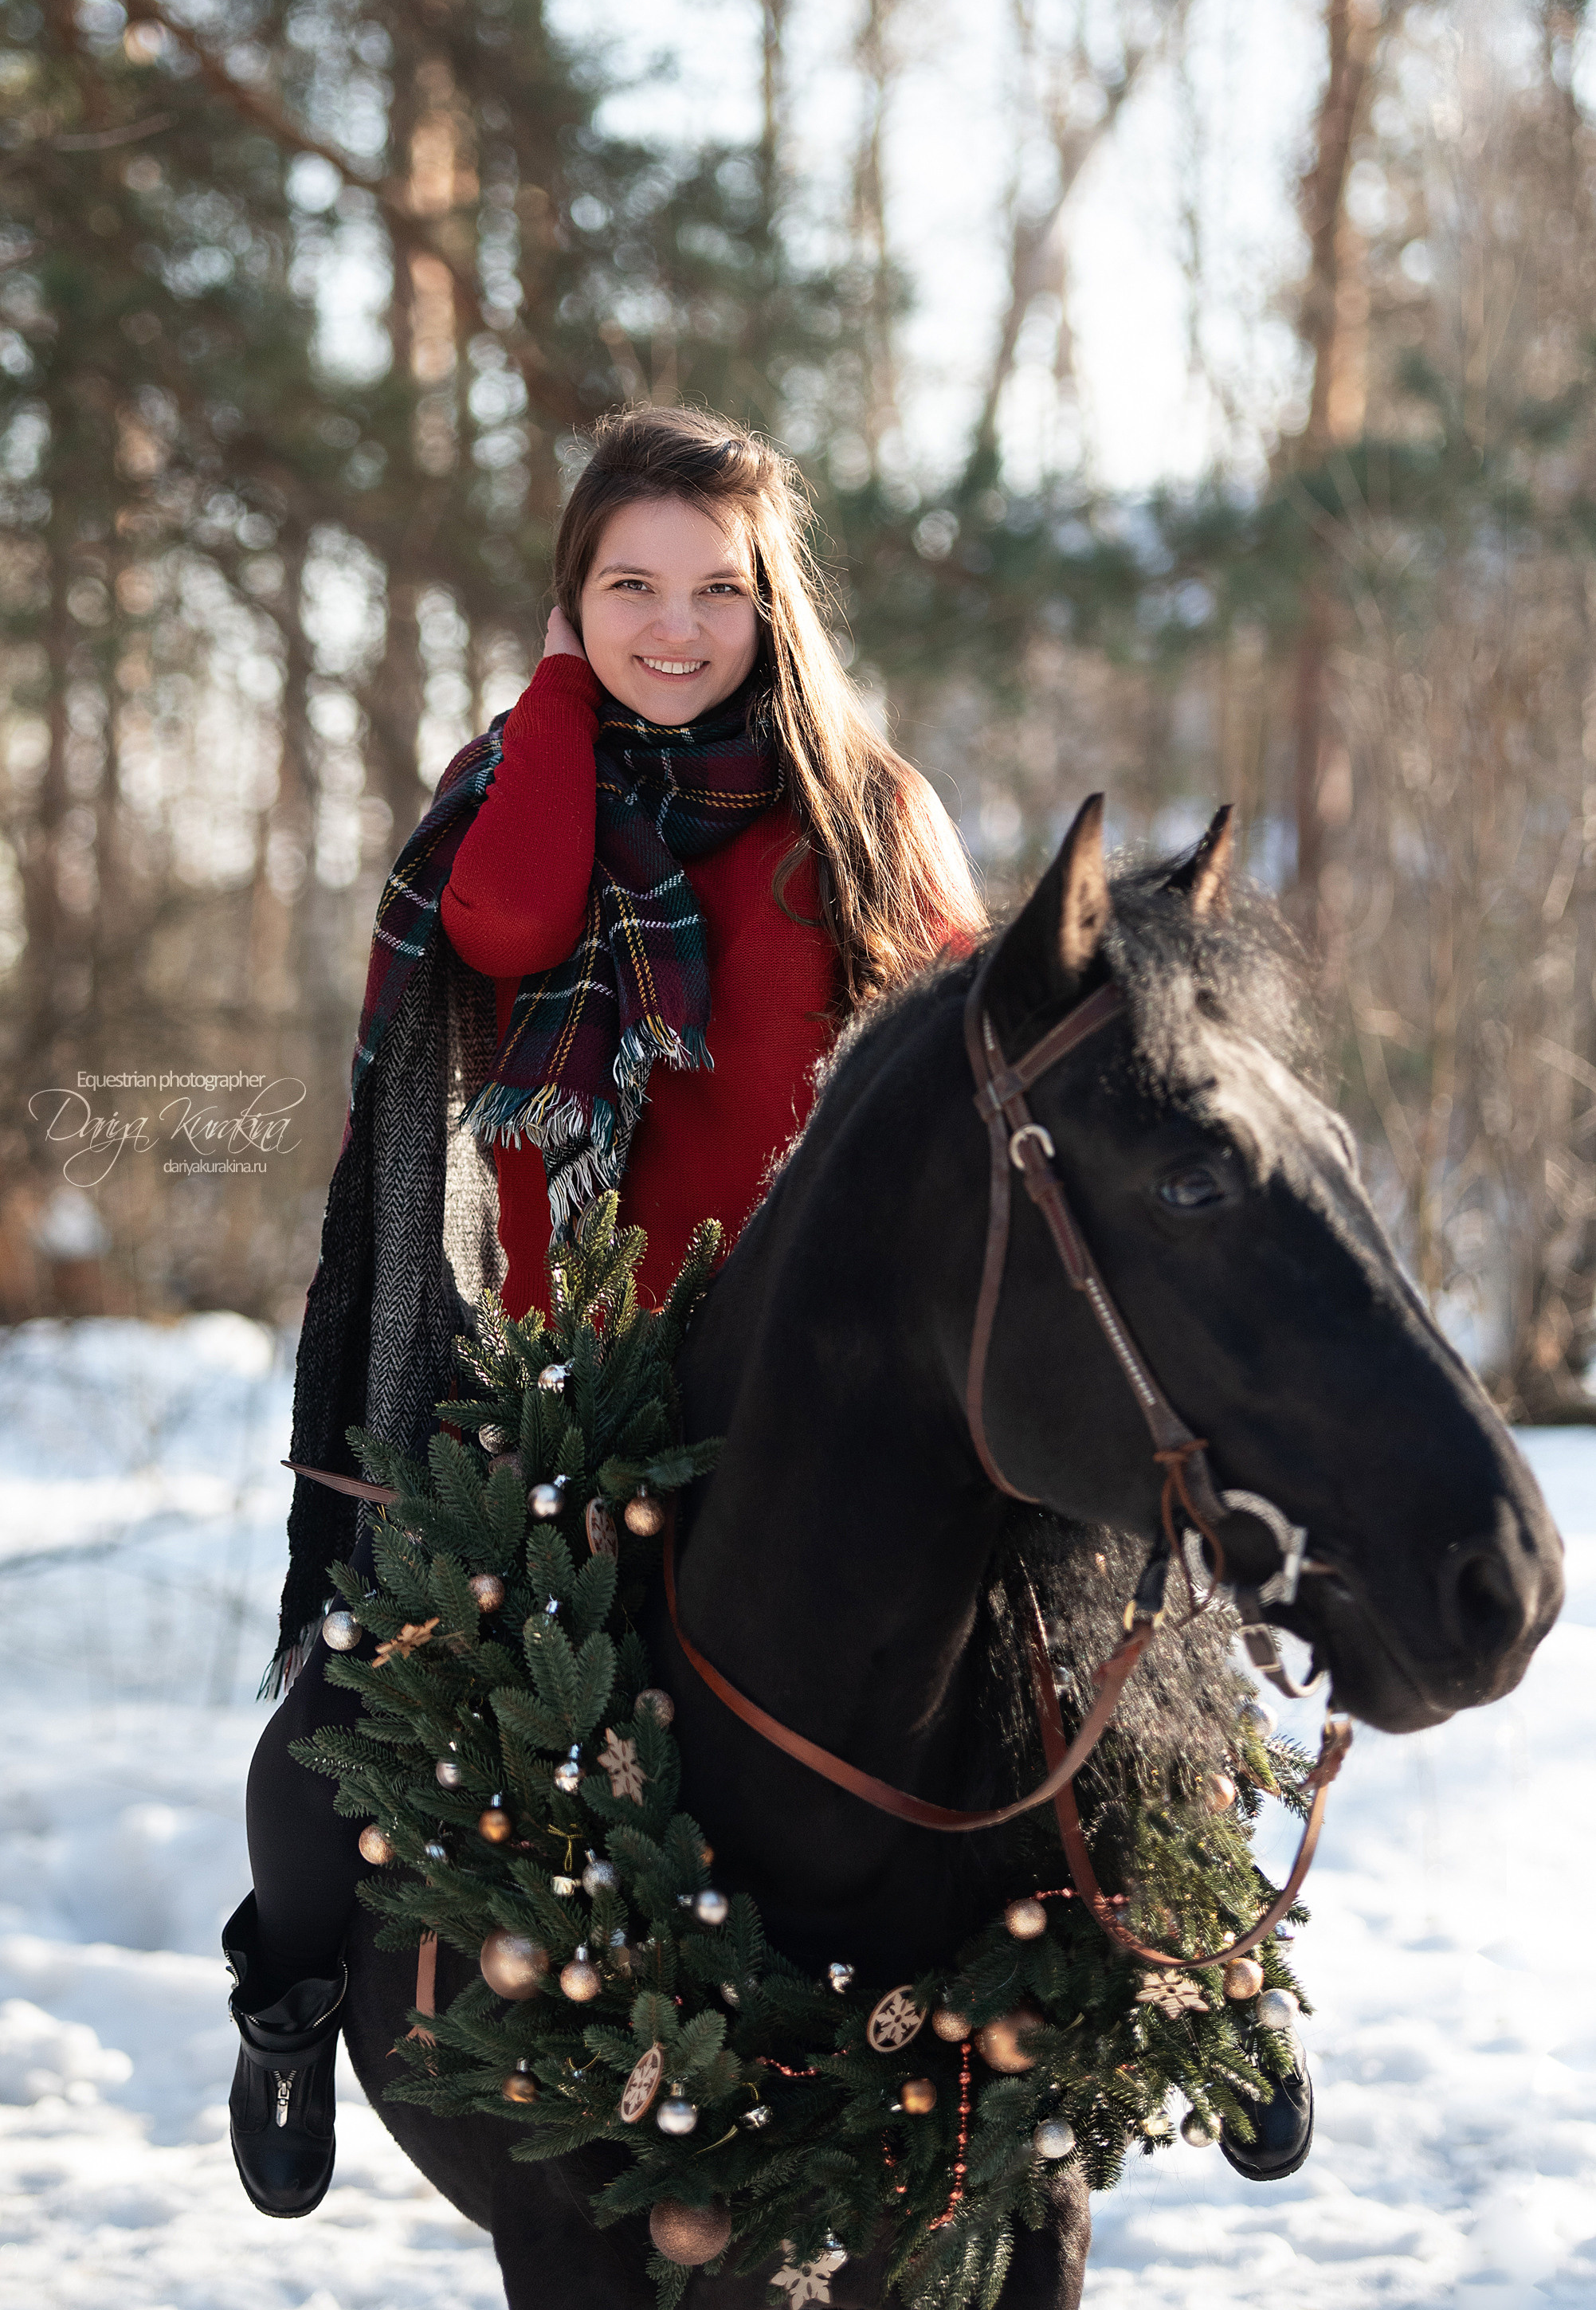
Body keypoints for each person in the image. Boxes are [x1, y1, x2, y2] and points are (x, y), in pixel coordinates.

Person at [223, 406, 985, 2216]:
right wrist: (560, 704)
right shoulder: (522, 785)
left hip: (848, 1382)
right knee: (338, 1707)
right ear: (570, 604)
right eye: (627, 585)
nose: (674, 625)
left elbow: (963, 1065)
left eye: (717, 589)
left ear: (773, 606)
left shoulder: (865, 812)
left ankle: (1212, 1974)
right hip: (579, 1388)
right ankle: (288, 2004)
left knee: (1091, 1611)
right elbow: (496, 927)